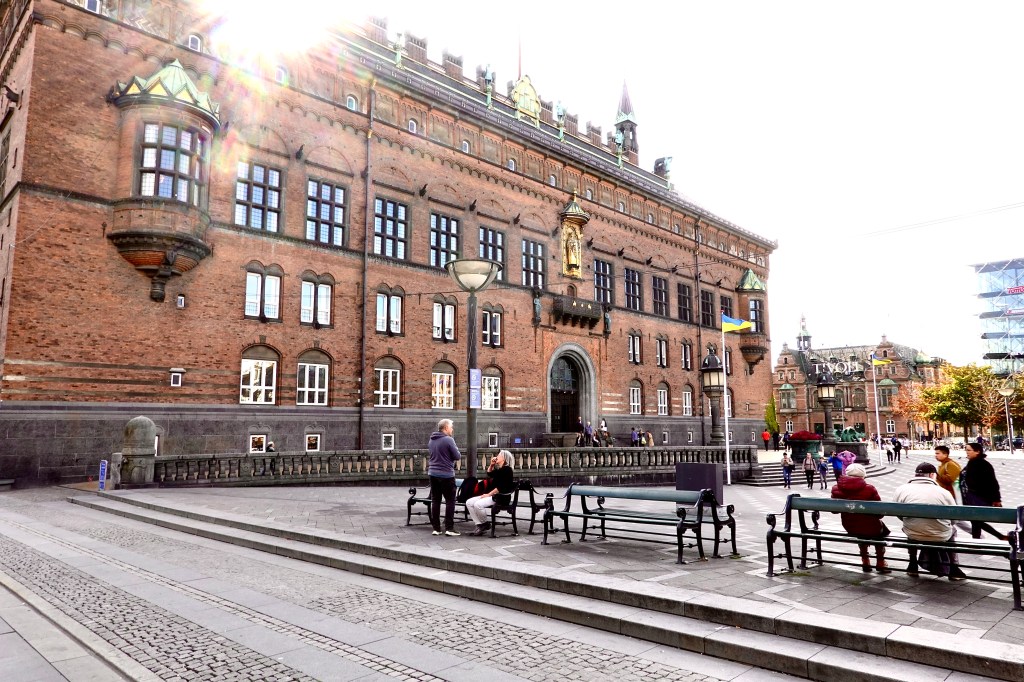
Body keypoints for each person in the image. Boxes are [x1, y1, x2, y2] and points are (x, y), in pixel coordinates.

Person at [893, 463, 967, 581]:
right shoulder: (943, 492)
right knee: (952, 530)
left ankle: (912, 565)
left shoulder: (901, 489)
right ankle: (954, 568)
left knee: (910, 527)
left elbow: (898, 514)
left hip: (913, 534)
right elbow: (954, 518)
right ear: (932, 475)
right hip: (939, 535)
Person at [831, 464, 890, 573]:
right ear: (863, 476)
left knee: (862, 530)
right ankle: (880, 562)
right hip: (869, 526)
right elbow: (879, 512)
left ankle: (865, 560)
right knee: (879, 530)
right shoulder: (869, 488)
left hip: (849, 525)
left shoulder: (836, 488)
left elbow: (834, 510)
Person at [959, 443, 1007, 541]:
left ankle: (980, 540)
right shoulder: (972, 462)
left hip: (978, 496)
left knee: (976, 520)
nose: (966, 452)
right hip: (970, 496)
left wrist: (996, 499)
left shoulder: (982, 464)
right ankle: (982, 539)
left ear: (977, 452)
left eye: (969, 450)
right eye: (966, 450)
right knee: (975, 520)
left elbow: (993, 482)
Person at [465, 450, 515, 536]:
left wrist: (488, 494)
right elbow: (489, 473)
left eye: (499, 455)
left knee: (478, 504)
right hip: (492, 495)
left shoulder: (507, 470)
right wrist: (492, 464)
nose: (497, 456)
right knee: (469, 502)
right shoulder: (500, 469)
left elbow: (501, 487)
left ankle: (484, 524)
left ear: (504, 458)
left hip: (500, 497)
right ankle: (480, 525)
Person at [427, 418, 462, 536]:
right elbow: (457, 456)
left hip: (432, 473)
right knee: (450, 501)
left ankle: (436, 528)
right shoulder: (448, 440)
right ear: (446, 428)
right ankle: (449, 528)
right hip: (446, 474)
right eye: (451, 427)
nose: (452, 429)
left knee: (435, 500)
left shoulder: (432, 440)